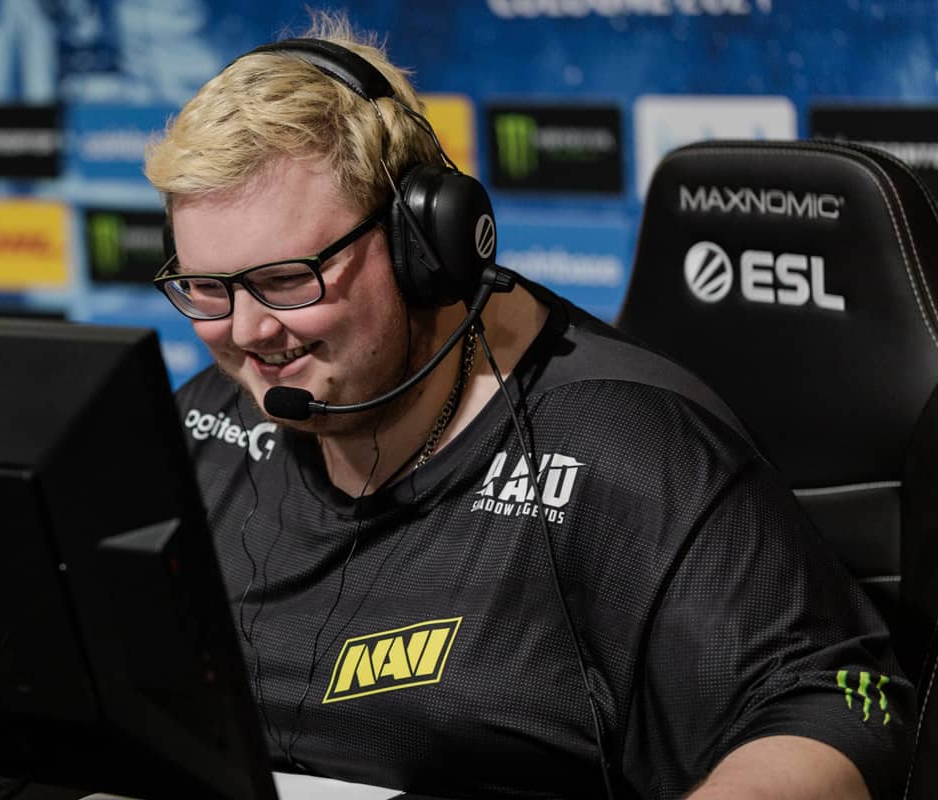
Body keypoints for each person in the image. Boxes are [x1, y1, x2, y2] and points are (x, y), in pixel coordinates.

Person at [144, 13, 914, 799]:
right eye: (206, 288)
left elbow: (840, 705)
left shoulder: (625, 447)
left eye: (285, 280)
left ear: (422, 246)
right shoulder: (204, 425)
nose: (247, 332)